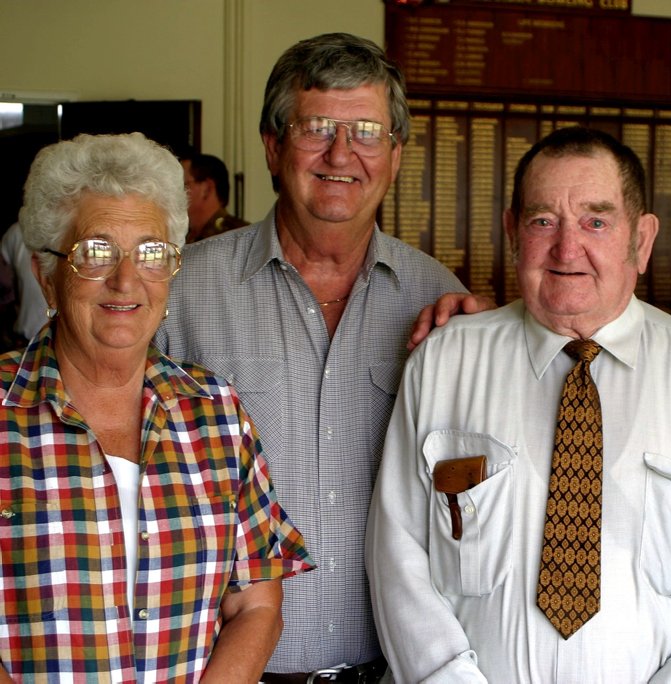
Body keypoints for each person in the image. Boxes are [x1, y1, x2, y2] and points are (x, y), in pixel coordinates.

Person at [367, 126, 671, 682]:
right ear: (512, 232)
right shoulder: (445, 361)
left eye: (596, 221)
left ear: (641, 241)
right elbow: (397, 547)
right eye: (543, 220)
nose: (567, 249)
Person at [155, 33, 469, 681]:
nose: (341, 153)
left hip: (396, 672)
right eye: (317, 127)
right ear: (273, 147)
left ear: (396, 154)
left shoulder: (444, 302)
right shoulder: (178, 293)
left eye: (366, 132)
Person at [0, 132, 313, 682]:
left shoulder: (216, 412)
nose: (126, 279)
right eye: (95, 252)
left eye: (150, 253)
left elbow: (256, 605)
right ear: (47, 276)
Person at [179, 151, 248, 242]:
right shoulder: (180, 234)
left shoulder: (239, 236)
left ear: (206, 189)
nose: (175, 193)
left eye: (182, 185)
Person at [1, 222, 47, 344]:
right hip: (26, 339)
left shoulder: (17, 231)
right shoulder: (17, 232)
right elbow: (4, 283)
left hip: (32, 336)